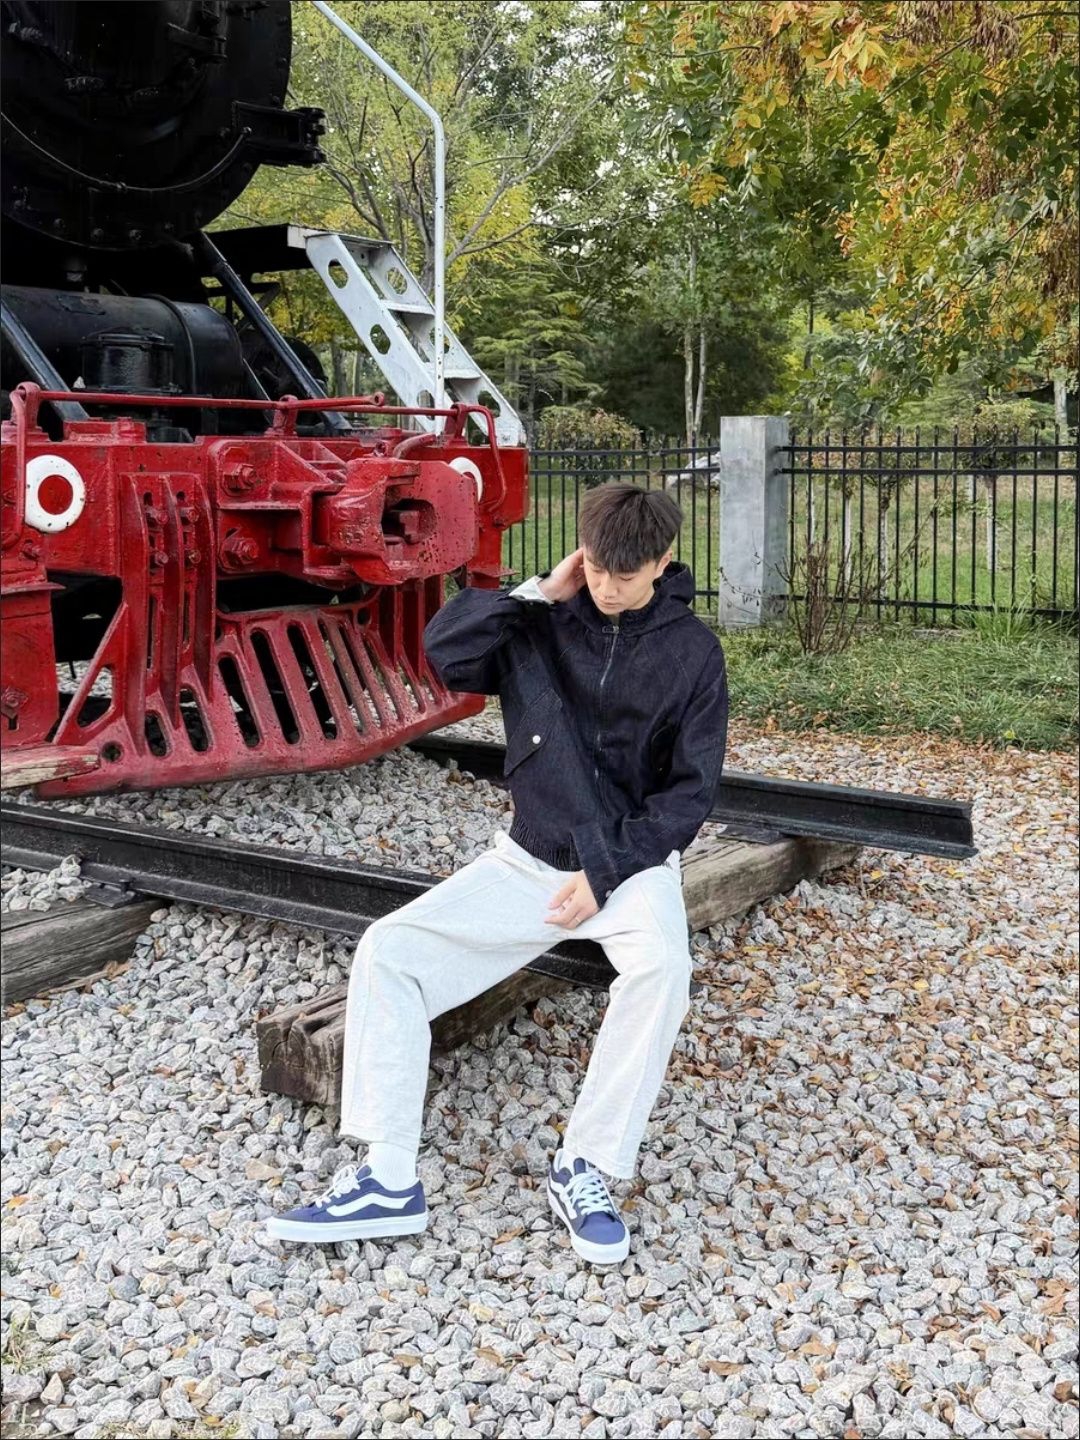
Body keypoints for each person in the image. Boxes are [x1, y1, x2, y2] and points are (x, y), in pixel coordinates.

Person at [266, 482, 729, 1264]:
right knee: (389, 950)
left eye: (627, 575)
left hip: (630, 864)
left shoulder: (693, 653)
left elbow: (690, 794)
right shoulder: (540, 622)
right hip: (530, 857)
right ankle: (387, 1178)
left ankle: (585, 1168)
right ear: (582, 554)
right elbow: (444, 655)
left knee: (663, 969)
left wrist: (605, 873)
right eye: (597, 569)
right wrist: (539, 591)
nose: (609, 588)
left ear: (664, 562)